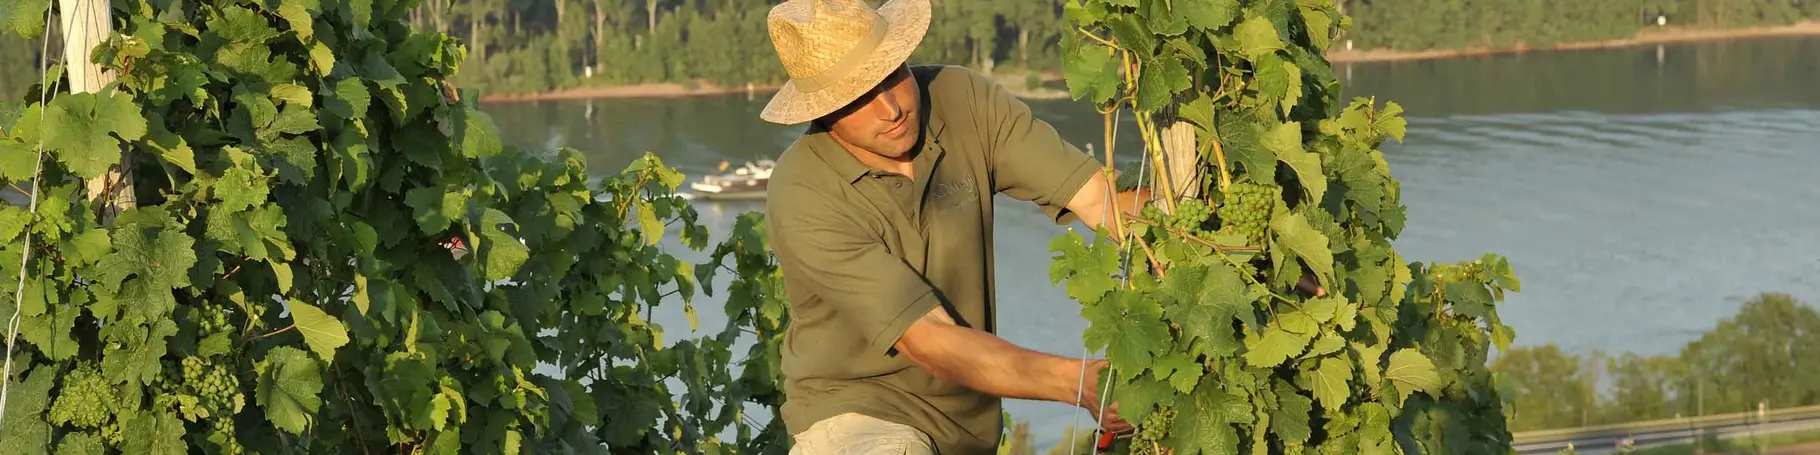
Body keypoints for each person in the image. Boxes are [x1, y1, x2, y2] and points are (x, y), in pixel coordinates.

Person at [755, 0, 1151, 453]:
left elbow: (1101, 202)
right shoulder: (804, 192)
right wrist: (1080, 383)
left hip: (970, 427)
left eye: (891, 74)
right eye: (858, 97)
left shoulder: (961, 98)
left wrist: (1197, 232)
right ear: (823, 112)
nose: (890, 108)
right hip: (857, 418)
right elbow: (929, 340)